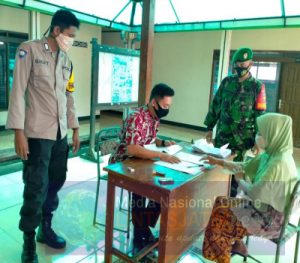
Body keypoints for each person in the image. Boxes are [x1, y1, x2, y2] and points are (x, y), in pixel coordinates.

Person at [6, 10, 81, 263]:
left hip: (60, 134)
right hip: (37, 134)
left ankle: (44, 228)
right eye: (70, 35)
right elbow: (17, 91)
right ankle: (28, 243)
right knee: (35, 187)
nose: (71, 40)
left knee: (56, 182)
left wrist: (76, 128)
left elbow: (69, 96)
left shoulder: (67, 61)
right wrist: (18, 132)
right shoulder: (30, 50)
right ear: (57, 30)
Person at [202, 113, 299, 263]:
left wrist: (240, 180)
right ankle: (237, 244)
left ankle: (222, 259)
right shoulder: (273, 154)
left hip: (270, 221)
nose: (258, 136)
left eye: (262, 133)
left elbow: (255, 194)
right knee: (221, 201)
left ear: (274, 133)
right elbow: (245, 166)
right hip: (266, 209)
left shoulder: (278, 163)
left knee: (221, 216)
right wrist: (219, 161)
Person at [109, 83, 180, 248]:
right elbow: (133, 148)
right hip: (123, 162)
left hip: (142, 160)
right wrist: (161, 155)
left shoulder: (154, 116)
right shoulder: (137, 117)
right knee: (141, 188)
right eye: (165, 106)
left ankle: (144, 226)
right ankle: (140, 233)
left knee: (165, 185)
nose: (167, 109)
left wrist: (163, 143)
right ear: (154, 103)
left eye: (169, 106)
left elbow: (149, 139)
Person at [204, 47, 267, 196]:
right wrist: (209, 127)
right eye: (237, 64)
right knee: (219, 167)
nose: (240, 68)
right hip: (223, 134)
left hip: (242, 138)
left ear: (250, 64)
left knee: (236, 171)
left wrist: (258, 139)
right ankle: (216, 197)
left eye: (243, 65)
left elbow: (260, 115)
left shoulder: (257, 86)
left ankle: (231, 201)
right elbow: (216, 104)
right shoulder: (227, 82)